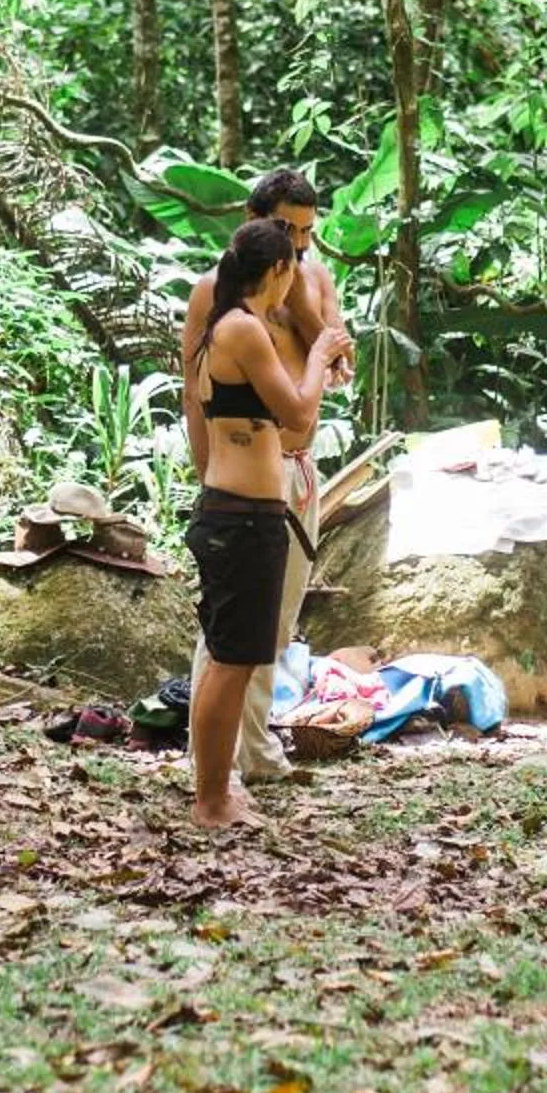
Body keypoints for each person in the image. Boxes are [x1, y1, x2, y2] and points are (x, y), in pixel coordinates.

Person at [180, 169, 350, 785]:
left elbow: (335, 358)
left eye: (307, 231)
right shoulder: (217, 298)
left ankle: (255, 748)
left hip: (298, 470)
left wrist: (302, 298)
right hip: (243, 480)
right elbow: (194, 394)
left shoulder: (309, 281)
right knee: (229, 631)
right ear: (253, 220)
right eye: (285, 230)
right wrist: (209, 473)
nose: (299, 244)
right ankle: (212, 762)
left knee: (273, 626)